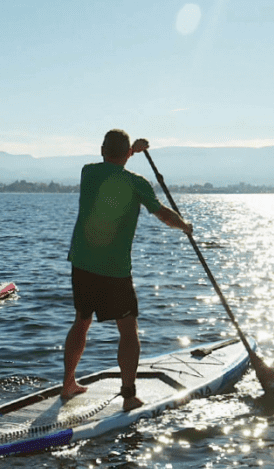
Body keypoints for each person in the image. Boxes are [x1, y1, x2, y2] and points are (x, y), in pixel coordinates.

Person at [62, 130, 193, 411]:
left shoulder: (88, 173)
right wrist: (185, 226)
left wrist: (131, 150)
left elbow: (112, 163)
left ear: (101, 150)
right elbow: (163, 214)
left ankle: (68, 384)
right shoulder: (137, 183)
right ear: (126, 154)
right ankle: (129, 395)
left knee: (81, 320)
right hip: (114, 269)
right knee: (128, 329)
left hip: (82, 263)